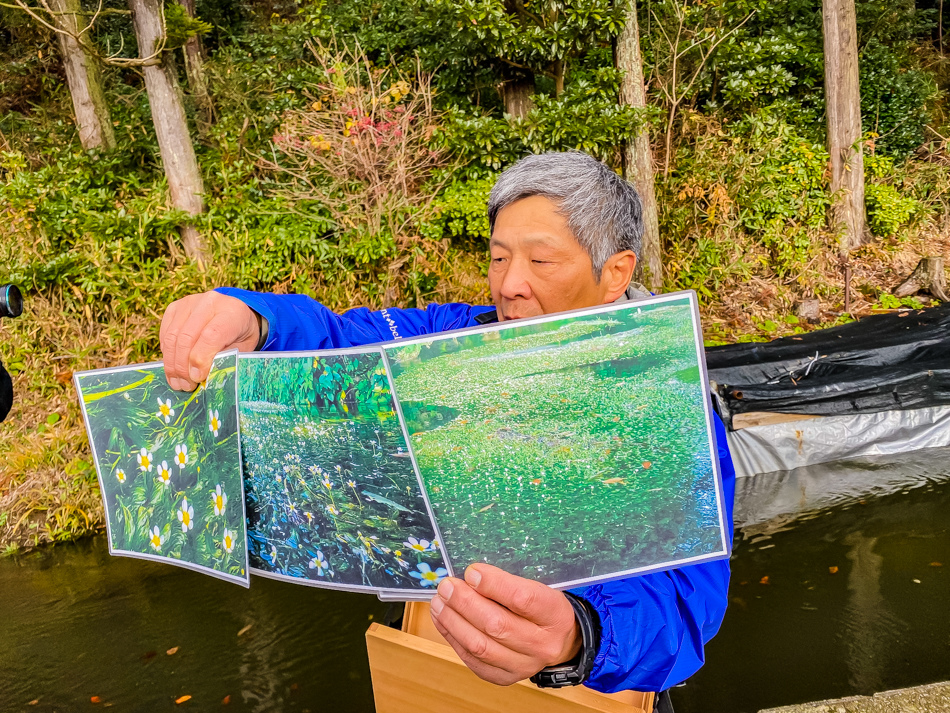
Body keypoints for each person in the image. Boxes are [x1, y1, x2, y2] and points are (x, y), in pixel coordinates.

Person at [160, 151, 735, 707]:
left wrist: (578, 634)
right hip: (439, 676)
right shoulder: (448, 337)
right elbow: (339, 342)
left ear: (615, 273)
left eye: (541, 261)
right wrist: (257, 321)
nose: (509, 284)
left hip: (592, 696)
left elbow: (686, 609)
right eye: (498, 257)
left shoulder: (668, 402)